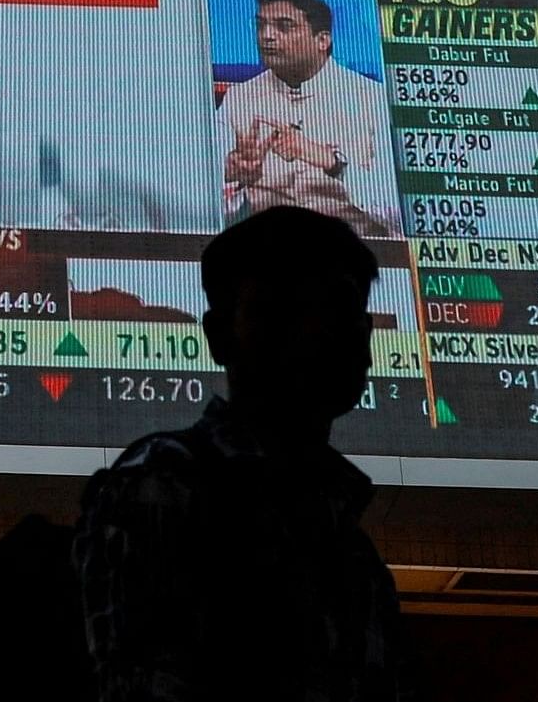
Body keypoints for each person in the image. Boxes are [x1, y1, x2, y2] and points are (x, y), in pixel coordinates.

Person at [75, 206, 405, 702]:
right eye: (289, 308)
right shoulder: (164, 484)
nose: (322, 331)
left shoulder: (356, 555)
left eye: (342, 307)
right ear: (219, 335)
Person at [215, 0, 400, 236]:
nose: (267, 36)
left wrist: (335, 165)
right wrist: (229, 176)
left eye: (284, 26)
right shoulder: (239, 99)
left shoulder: (372, 99)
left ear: (323, 40)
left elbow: (402, 214)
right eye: (260, 25)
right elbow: (207, 209)